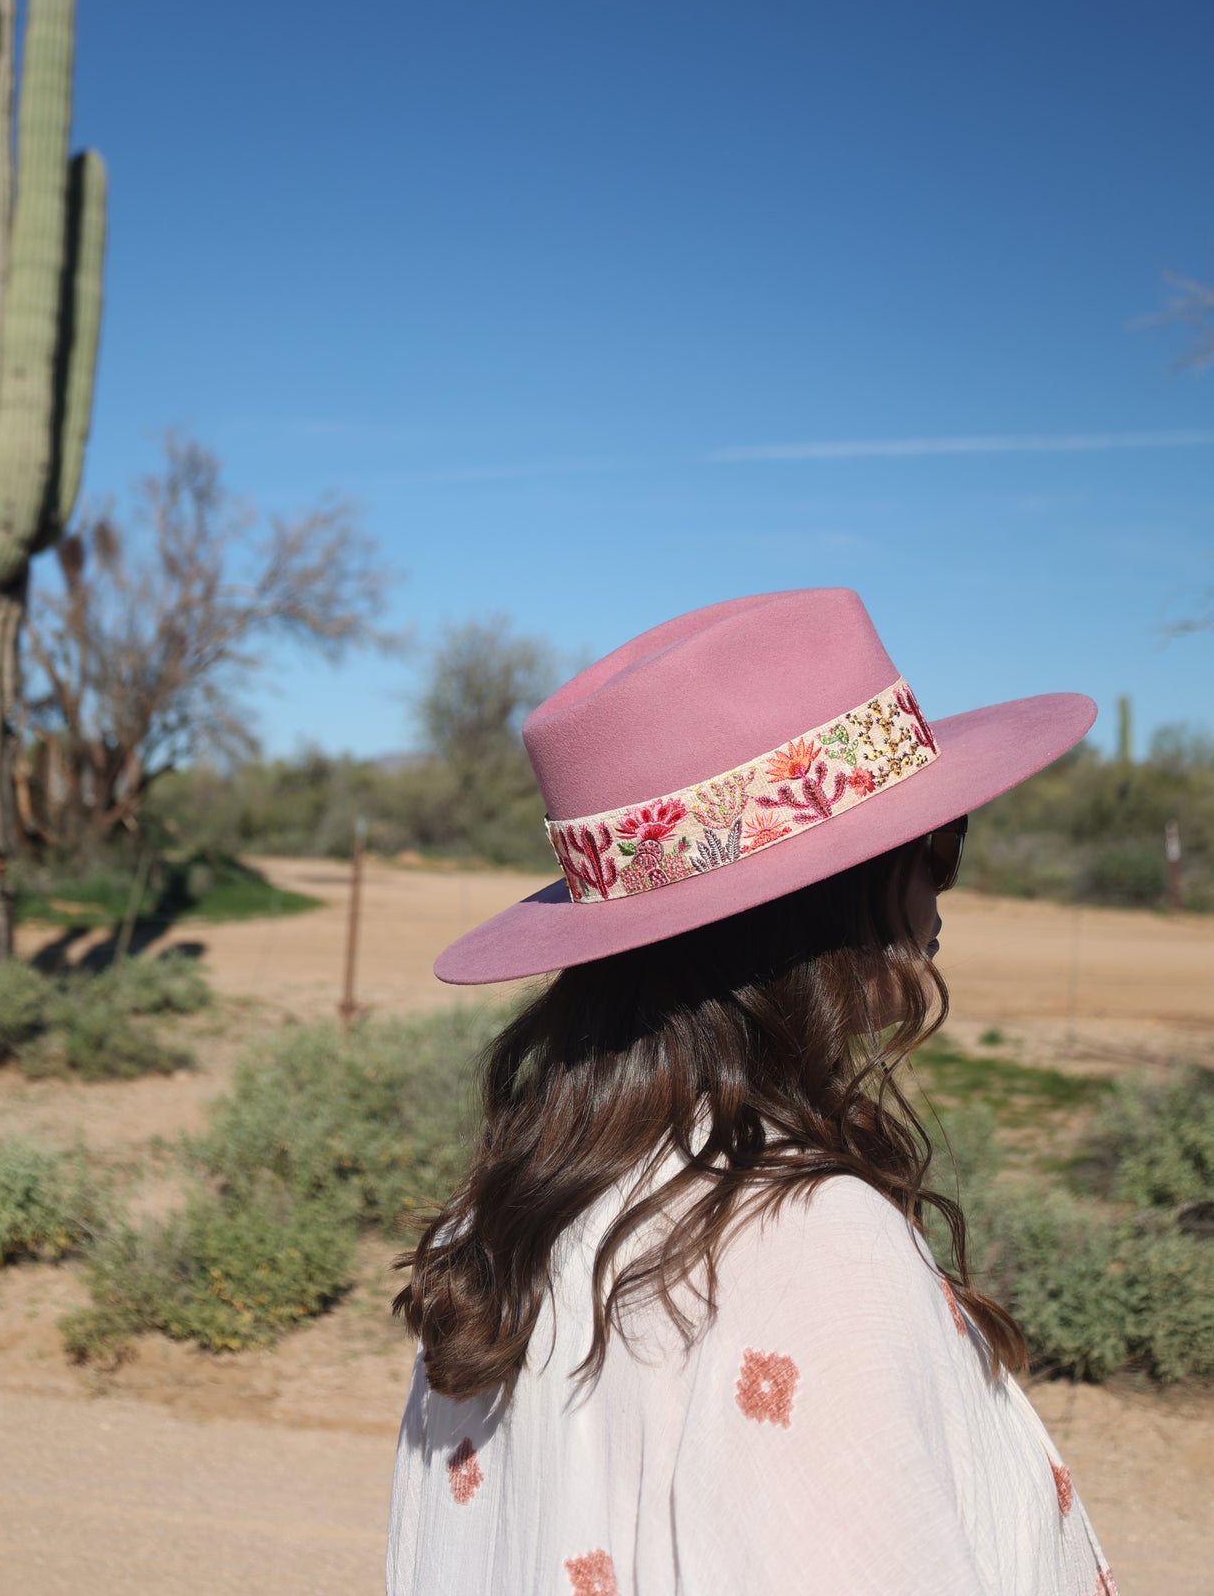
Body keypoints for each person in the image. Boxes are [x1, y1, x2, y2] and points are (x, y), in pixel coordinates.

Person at [387, 587, 1117, 1596]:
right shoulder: (805, 1234)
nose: (938, 902)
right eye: (928, 852)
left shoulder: (502, 1215)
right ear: (824, 901)